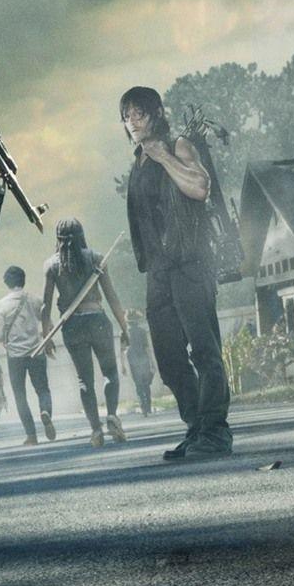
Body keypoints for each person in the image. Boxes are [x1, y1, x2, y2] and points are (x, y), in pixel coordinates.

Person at [120, 86, 233, 461]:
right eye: (126, 116)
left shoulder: (178, 145)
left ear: (156, 113)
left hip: (190, 263)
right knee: (168, 358)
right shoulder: (138, 162)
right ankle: (197, 427)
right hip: (158, 271)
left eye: (138, 113)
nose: (132, 121)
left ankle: (215, 432)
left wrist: (165, 157)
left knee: (204, 350)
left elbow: (200, 188)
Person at [39, 217, 130, 447]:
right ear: (82, 235)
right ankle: (112, 415)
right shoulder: (96, 258)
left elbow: (45, 306)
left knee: (84, 380)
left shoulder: (51, 265)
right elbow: (111, 296)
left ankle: (96, 430)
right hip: (97, 320)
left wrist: (46, 336)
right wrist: (124, 327)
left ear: (58, 239)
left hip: (72, 325)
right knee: (110, 372)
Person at [0, 264, 56, 444]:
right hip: (37, 352)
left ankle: (31, 435)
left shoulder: (2, 305)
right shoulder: (35, 300)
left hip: (15, 357)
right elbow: (49, 324)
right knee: (42, 389)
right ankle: (45, 411)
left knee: (20, 395)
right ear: (23, 280)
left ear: (7, 283)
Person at [124, 308, 158, 417]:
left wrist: (123, 366)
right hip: (144, 359)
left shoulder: (124, 332)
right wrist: (153, 362)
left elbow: (122, 351)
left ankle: (143, 407)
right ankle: (148, 406)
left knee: (138, 385)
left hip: (132, 361)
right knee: (146, 384)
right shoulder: (142, 331)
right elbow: (147, 348)